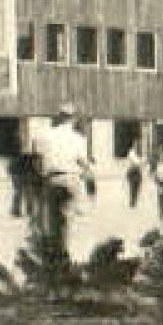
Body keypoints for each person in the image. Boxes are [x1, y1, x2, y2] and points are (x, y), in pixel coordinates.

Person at [33, 104, 92, 262]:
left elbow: (37, 161)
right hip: (71, 178)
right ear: (73, 119)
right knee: (67, 219)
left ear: (58, 117)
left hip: (52, 178)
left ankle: (54, 254)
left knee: (51, 219)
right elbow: (84, 163)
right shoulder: (79, 139)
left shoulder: (44, 135)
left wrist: (42, 175)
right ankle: (64, 254)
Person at [124, 142, 146, 209]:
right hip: (132, 172)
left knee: (137, 187)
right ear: (134, 146)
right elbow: (136, 162)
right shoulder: (131, 153)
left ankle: (134, 201)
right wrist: (141, 161)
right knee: (132, 187)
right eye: (136, 146)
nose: (138, 147)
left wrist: (141, 162)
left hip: (138, 172)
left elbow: (141, 163)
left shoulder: (140, 153)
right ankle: (132, 202)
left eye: (139, 146)